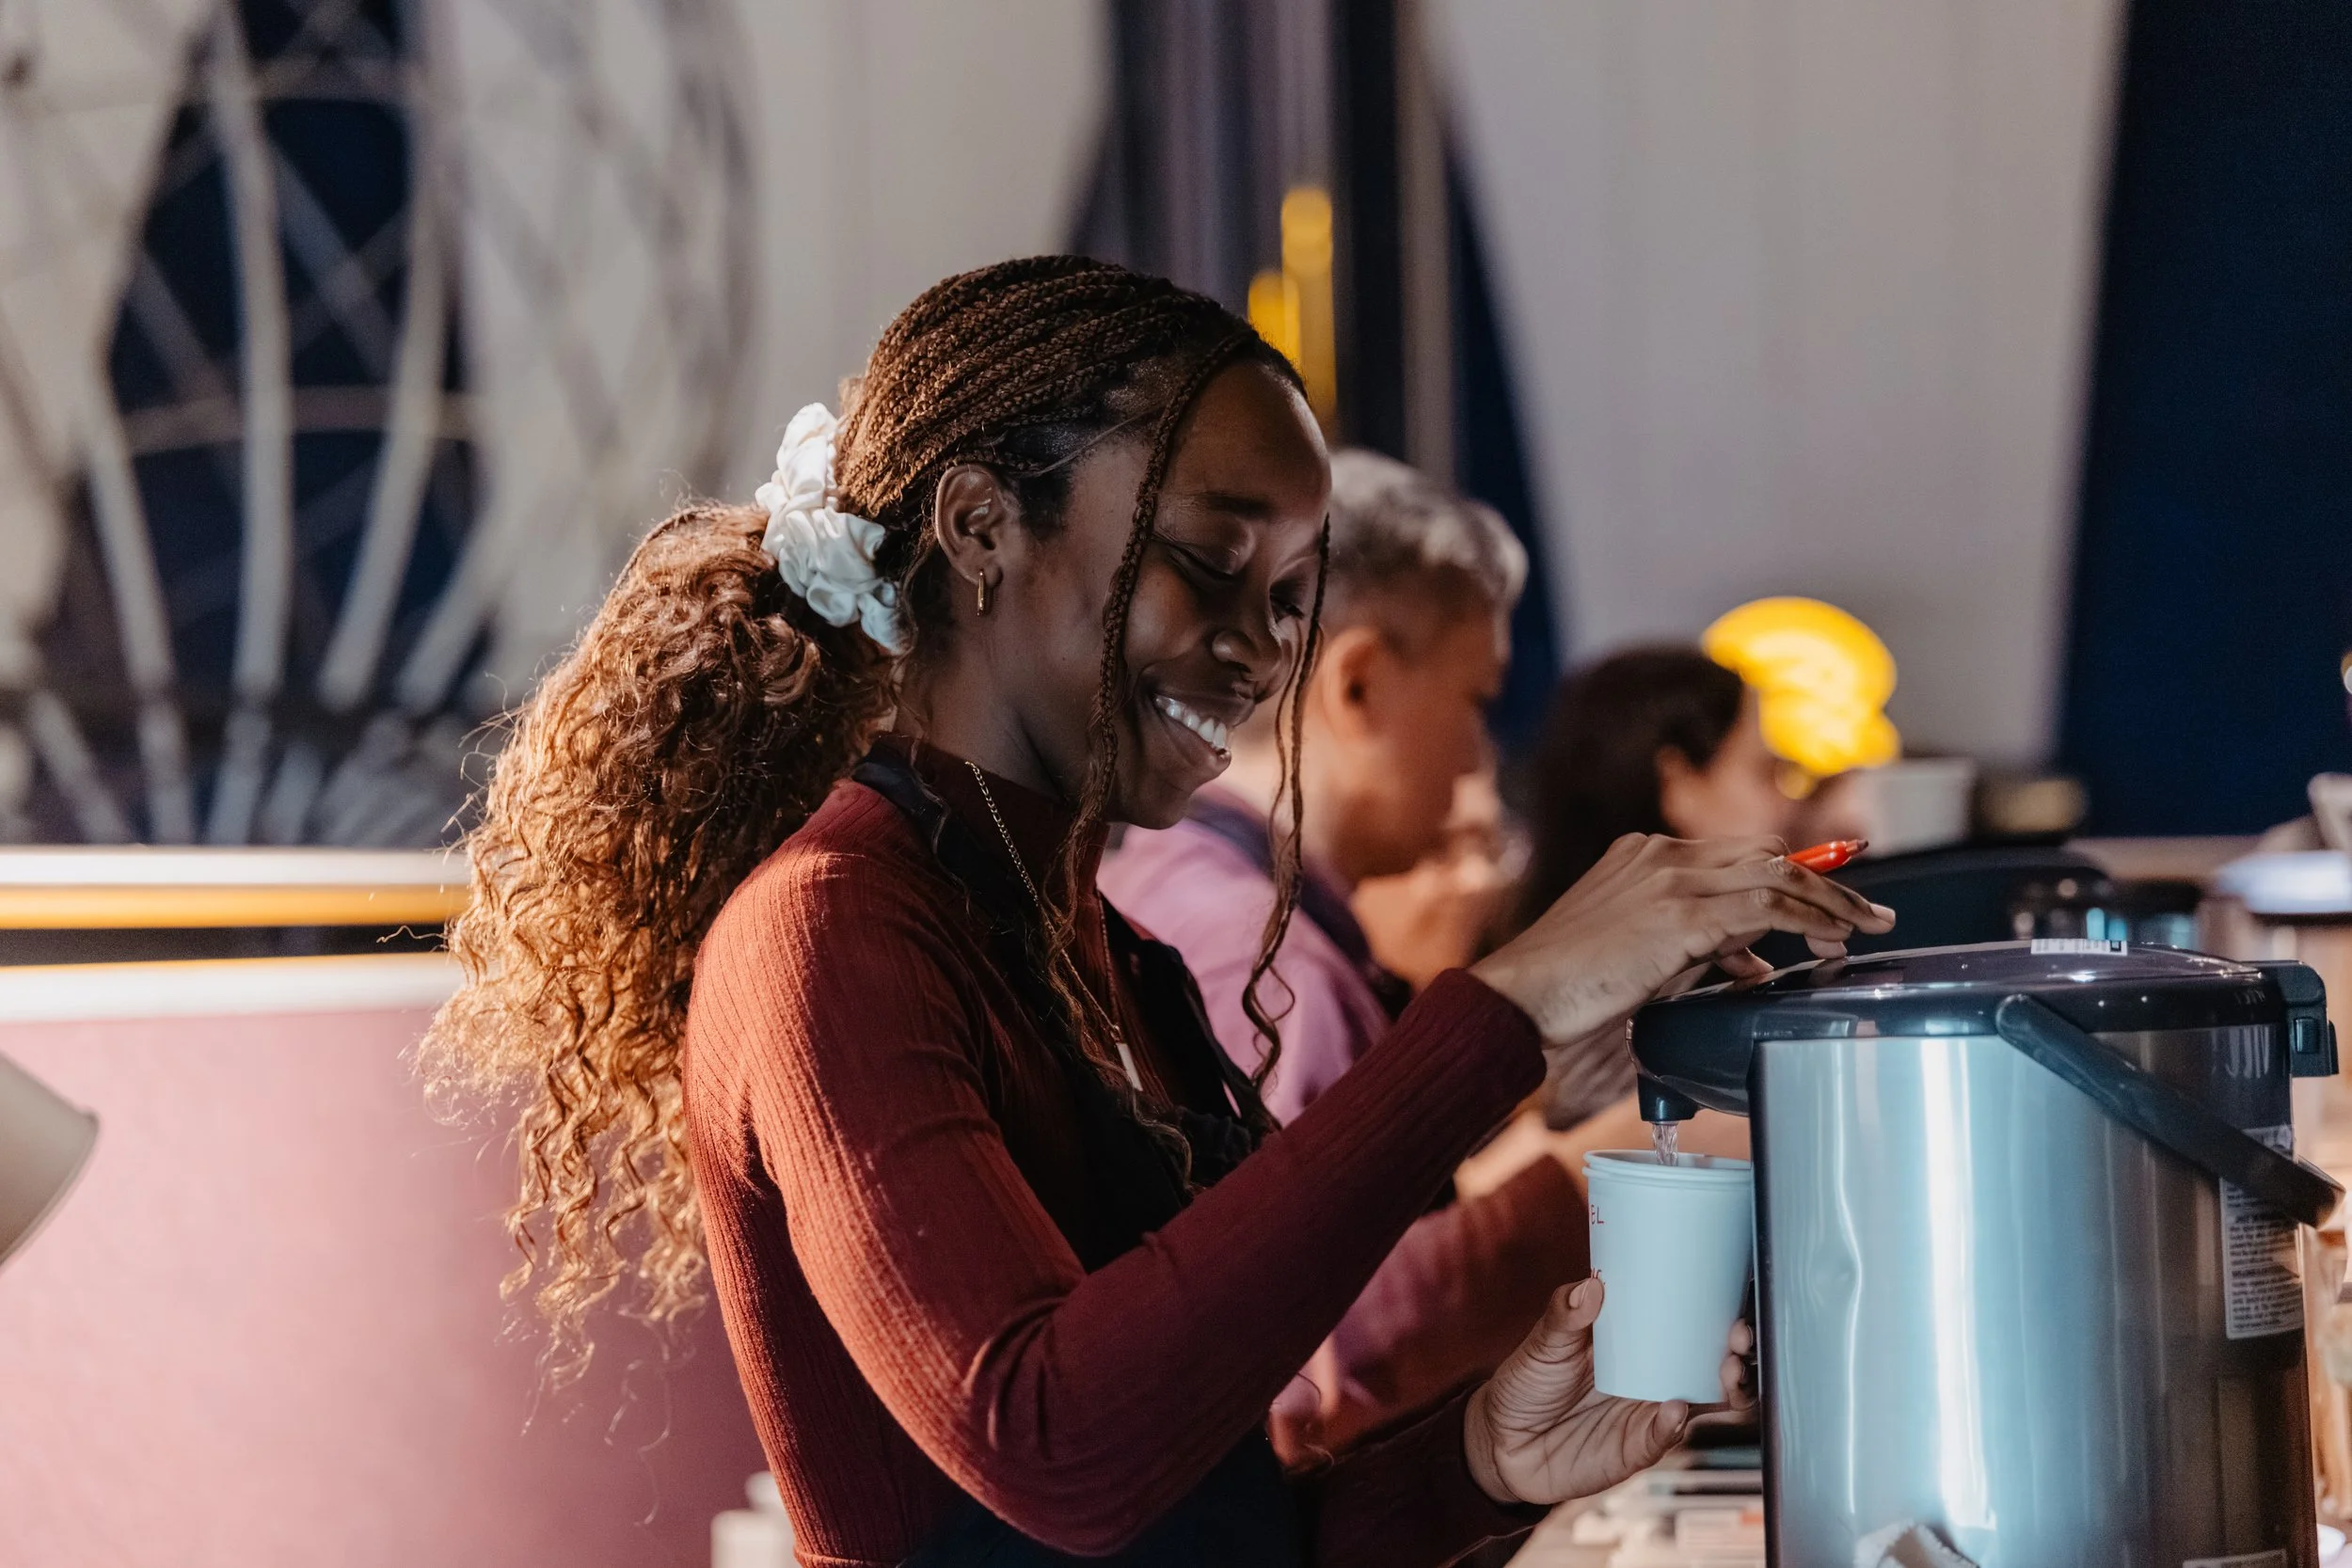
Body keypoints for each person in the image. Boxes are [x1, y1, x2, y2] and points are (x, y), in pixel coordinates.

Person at [422, 259, 1887, 1568]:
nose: (1260, 649)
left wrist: (1475, 1464)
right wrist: (1506, 1006)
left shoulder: (1099, 946)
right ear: (982, 525)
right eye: (1211, 560)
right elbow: (1059, 1447)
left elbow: (1210, 1521)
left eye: (1292, 594)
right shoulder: (829, 930)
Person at [1102, 451, 1590, 1459]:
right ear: (1358, 685)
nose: (1477, 759)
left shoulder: (1168, 885)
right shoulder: (1270, 965)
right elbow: (1296, 1370)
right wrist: (1584, 1193)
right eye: (1476, 700)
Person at [1509, 646, 1801, 1125]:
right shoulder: (1716, 981)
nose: (1788, 804)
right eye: (1766, 773)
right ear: (1678, 781)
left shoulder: (1522, 948)